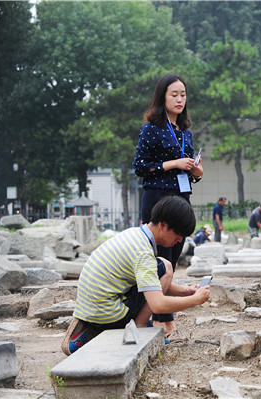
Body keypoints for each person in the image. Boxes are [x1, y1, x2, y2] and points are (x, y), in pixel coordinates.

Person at [61, 196, 211, 355]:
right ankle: (137, 331)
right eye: (178, 234)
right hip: (108, 313)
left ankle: (89, 332)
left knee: (161, 265)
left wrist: (185, 291)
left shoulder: (135, 234)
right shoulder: (143, 253)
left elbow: (150, 280)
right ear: (163, 225)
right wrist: (194, 300)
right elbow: (158, 305)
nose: (180, 240)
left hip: (91, 309)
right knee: (165, 267)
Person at [133, 73, 204, 334]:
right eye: (174, 94)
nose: (179, 99)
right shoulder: (151, 128)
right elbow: (140, 166)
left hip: (181, 198)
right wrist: (174, 164)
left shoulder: (185, 132)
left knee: (173, 257)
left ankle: (160, 318)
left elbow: (190, 173)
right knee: (160, 263)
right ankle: (162, 320)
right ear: (162, 97)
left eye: (183, 94)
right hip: (158, 200)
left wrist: (196, 171)